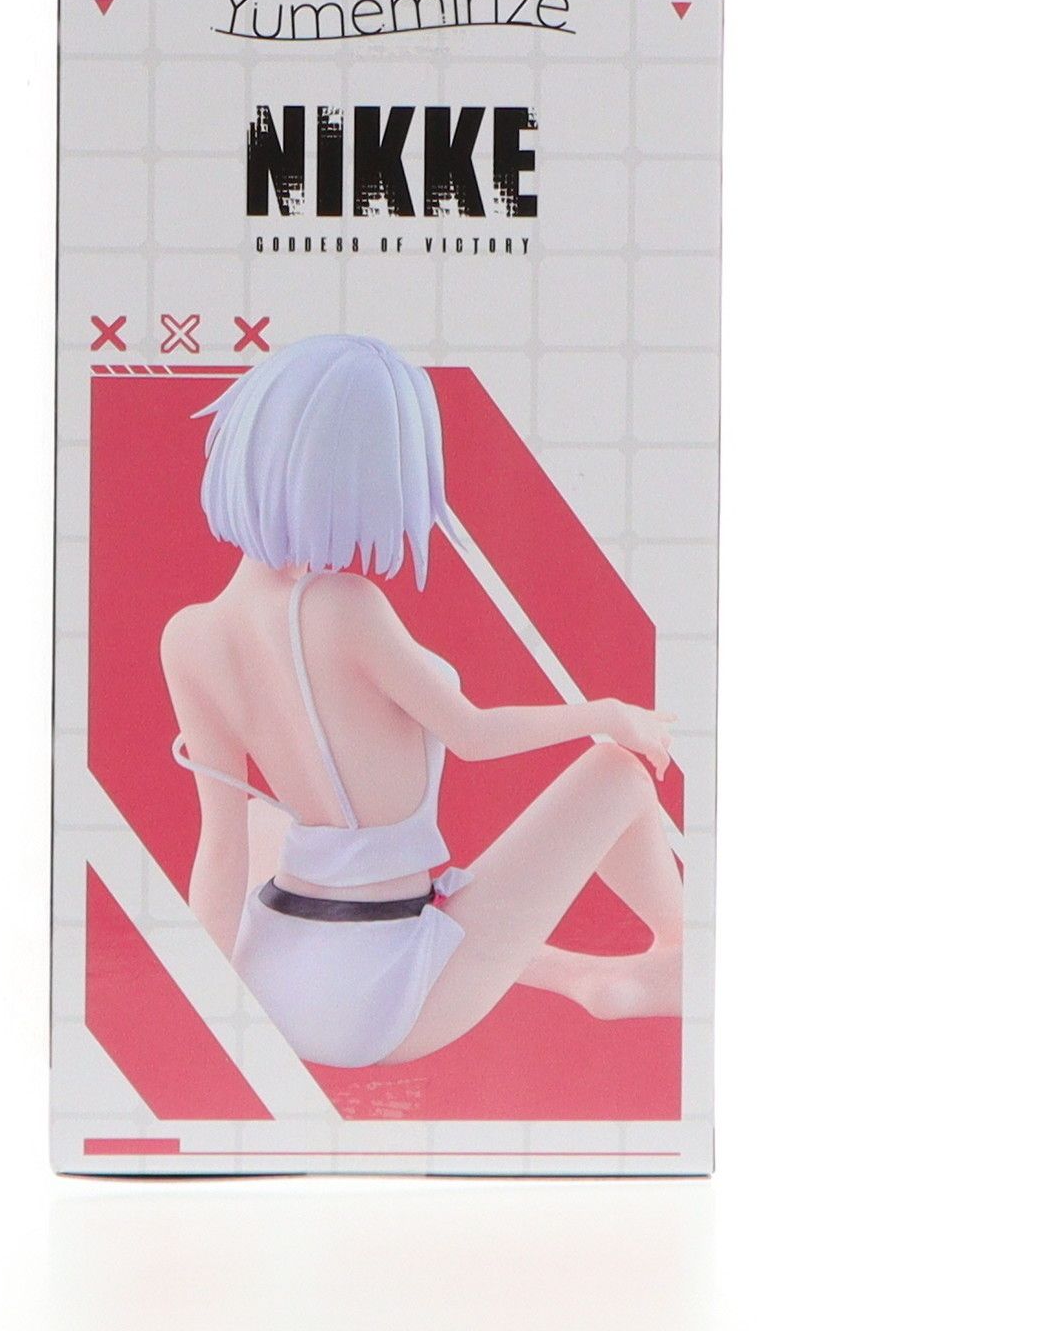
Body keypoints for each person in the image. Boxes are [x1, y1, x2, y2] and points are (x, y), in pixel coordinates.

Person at [162, 334, 682, 1069]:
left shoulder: (188, 636)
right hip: (383, 994)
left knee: (252, 818)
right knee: (618, 775)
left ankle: (577, 975)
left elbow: (220, 852)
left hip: (275, 977)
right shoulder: (343, 606)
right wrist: (607, 715)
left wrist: (203, 1016)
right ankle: (688, 956)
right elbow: (472, 735)